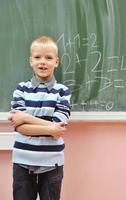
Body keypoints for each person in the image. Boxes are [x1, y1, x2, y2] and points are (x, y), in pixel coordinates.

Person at [9, 35, 71, 200]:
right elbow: (20, 126)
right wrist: (49, 128)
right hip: (22, 162)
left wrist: (26, 117)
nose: (42, 61)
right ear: (30, 61)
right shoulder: (21, 89)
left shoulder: (63, 91)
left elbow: (58, 126)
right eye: (37, 57)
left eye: (48, 58)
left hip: (52, 164)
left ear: (56, 62)